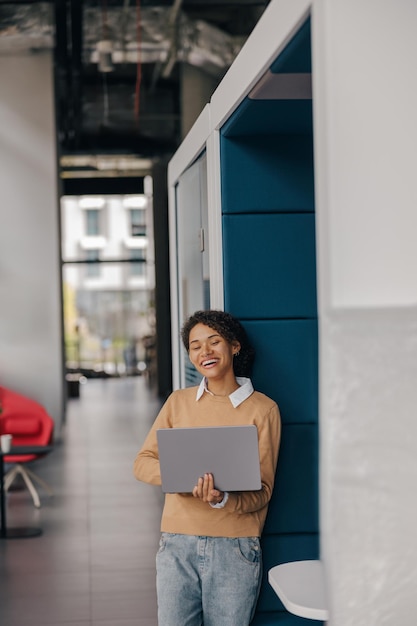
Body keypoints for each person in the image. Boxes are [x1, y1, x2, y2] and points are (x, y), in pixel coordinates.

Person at [133, 309, 281, 626]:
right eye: (196, 345)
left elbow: (263, 492)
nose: (205, 352)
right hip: (177, 542)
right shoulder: (178, 402)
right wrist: (183, 478)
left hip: (235, 547)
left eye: (214, 342)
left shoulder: (264, 410)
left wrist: (222, 498)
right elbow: (142, 463)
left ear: (234, 346)